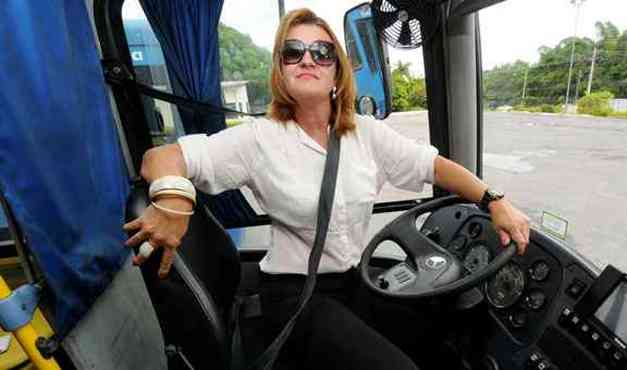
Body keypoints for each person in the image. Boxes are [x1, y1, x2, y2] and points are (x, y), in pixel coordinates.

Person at [123, 8, 530, 370]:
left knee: (439, 341)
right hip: (293, 297)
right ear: (280, 70)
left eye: (321, 53)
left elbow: (433, 165)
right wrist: (174, 198)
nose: (307, 60)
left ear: (337, 70)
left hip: (354, 283)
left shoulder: (366, 133)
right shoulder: (258, 139)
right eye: (293, 52)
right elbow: (158, 158)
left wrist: (494, 200)